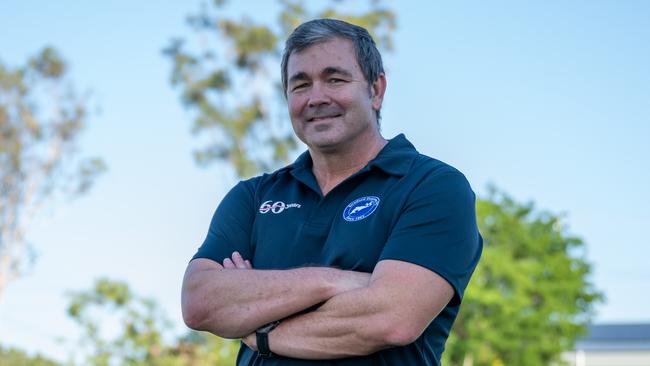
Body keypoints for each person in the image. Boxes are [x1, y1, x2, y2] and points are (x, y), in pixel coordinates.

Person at [182, 18, 483, 365]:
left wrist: (260, 330)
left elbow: (390, 320)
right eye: (300, 85)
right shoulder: (253, 197)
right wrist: (333, 281)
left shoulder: (432, 186)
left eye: (335, 79)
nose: (316, 98)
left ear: (375, 90)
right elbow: (200, 301)